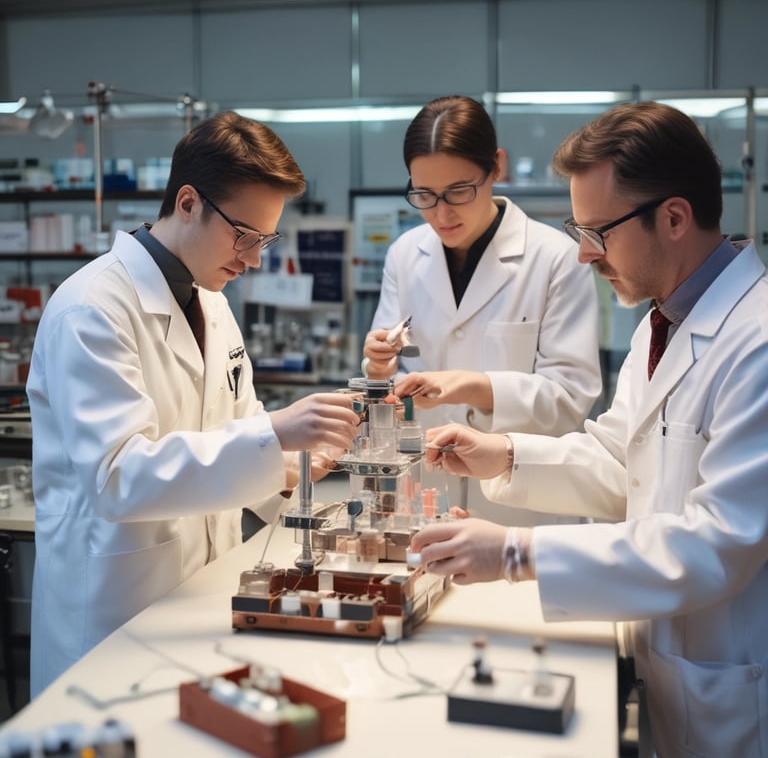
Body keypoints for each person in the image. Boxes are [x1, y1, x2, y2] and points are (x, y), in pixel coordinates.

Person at [410, 101, 768, 758]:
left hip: (733, 700)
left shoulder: (758, 342)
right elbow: (619, 462)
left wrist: (519, 554)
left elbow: (717, 541)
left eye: (598, 230)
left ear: (674, 217)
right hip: (666, 667)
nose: (582, 253)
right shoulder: (663, 323)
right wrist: (504, 454)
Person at [25, 111, 361, 696]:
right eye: (245, 236)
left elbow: (235, 434)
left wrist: (284, 471)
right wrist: (274, 435)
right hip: (111, 615)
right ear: (188, 202)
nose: (254, 259)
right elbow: (117, 477)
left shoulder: (214, 304)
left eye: (266, 239)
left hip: (203, 595)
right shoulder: (92, 308)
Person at [362, 95, 601, 525]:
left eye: (458, 191)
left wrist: (474, 386)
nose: (440, 213)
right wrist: (379, 370)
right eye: (424, 195)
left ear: (496, 166)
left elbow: (569, 397)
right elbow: (393, 374)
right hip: (426, 494)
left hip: (522, 507)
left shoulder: (555, 258)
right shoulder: (404, 254)